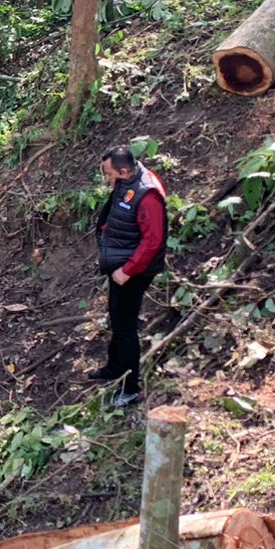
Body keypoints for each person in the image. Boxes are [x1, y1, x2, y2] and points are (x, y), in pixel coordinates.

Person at [87, 145, 167, 407]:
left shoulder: (148, 196)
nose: (106, 178)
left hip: (134, 269)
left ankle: (130, 388)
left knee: (125, 326)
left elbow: (153, 241)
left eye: (108, 173)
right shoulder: (129, 179)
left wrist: (127, 270)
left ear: (123, 171)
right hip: (121, 260)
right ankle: (114, 367)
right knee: (116, 317)